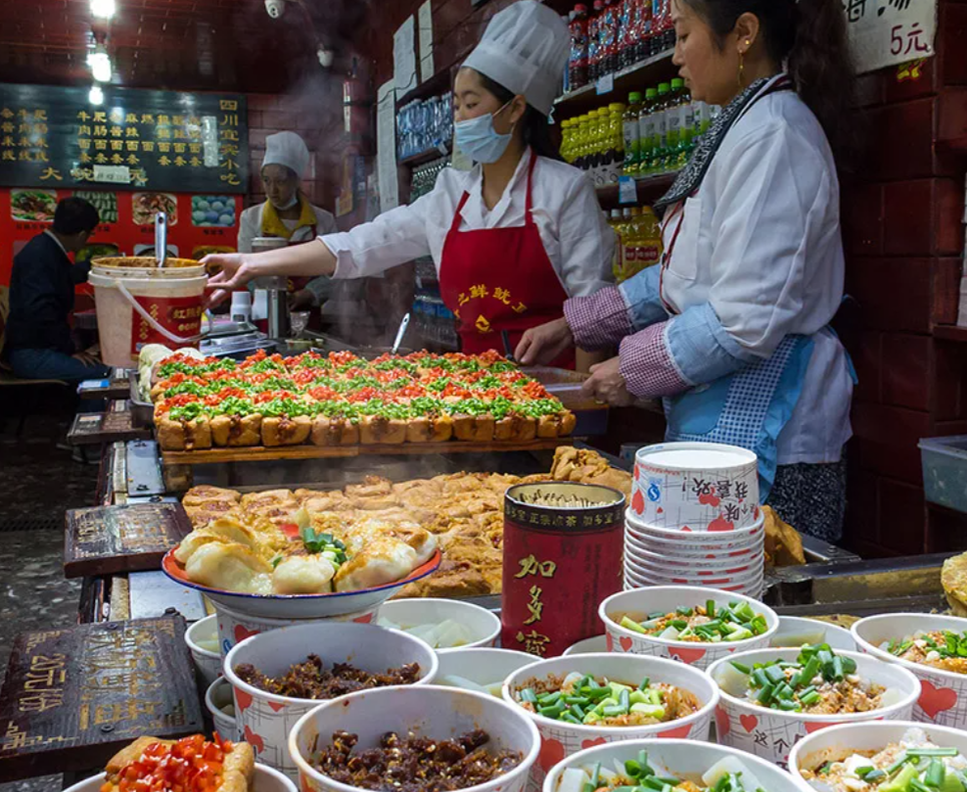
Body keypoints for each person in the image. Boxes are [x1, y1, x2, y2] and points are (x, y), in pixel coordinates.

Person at [516, 0, 856, 541]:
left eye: (682, 35)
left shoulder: (775, 137)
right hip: (720, 423)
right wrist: (576, 324)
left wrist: (630, 368)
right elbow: (684, 278)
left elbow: (744, 320)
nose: (675, 56)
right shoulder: (742, 128)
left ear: (744, 32)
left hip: (776, 440)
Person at [205, 1, 614, 370]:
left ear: (515, 110)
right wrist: (253, 263)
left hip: (557, 390)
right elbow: (362, 246)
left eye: (472, 104)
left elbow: (592, 310)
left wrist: (584, 408)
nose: (460, 119)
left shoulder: (565, 189)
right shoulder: (451, 193)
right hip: (480, 390)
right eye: (456, 105)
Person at [2, 197, 109, 382]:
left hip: (39, 346)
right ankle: (91, 412)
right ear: (82, 235)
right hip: (31, 353)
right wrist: (69, 350)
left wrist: (100, 265)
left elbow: (66, 275)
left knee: (99, 364)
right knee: (101, 374)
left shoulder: (46, 247)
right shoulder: (40, 255)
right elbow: (39, 311)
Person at [237, 131, 338, 311]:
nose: (272, 190)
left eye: (281, 181)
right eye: (266, 181)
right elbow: (246, 269)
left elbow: (335, 270)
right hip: (265, 309)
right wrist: (272, 296)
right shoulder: (250, 218)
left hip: (309, 311)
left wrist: (308, 294)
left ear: (296, 181)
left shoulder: (323, 220)